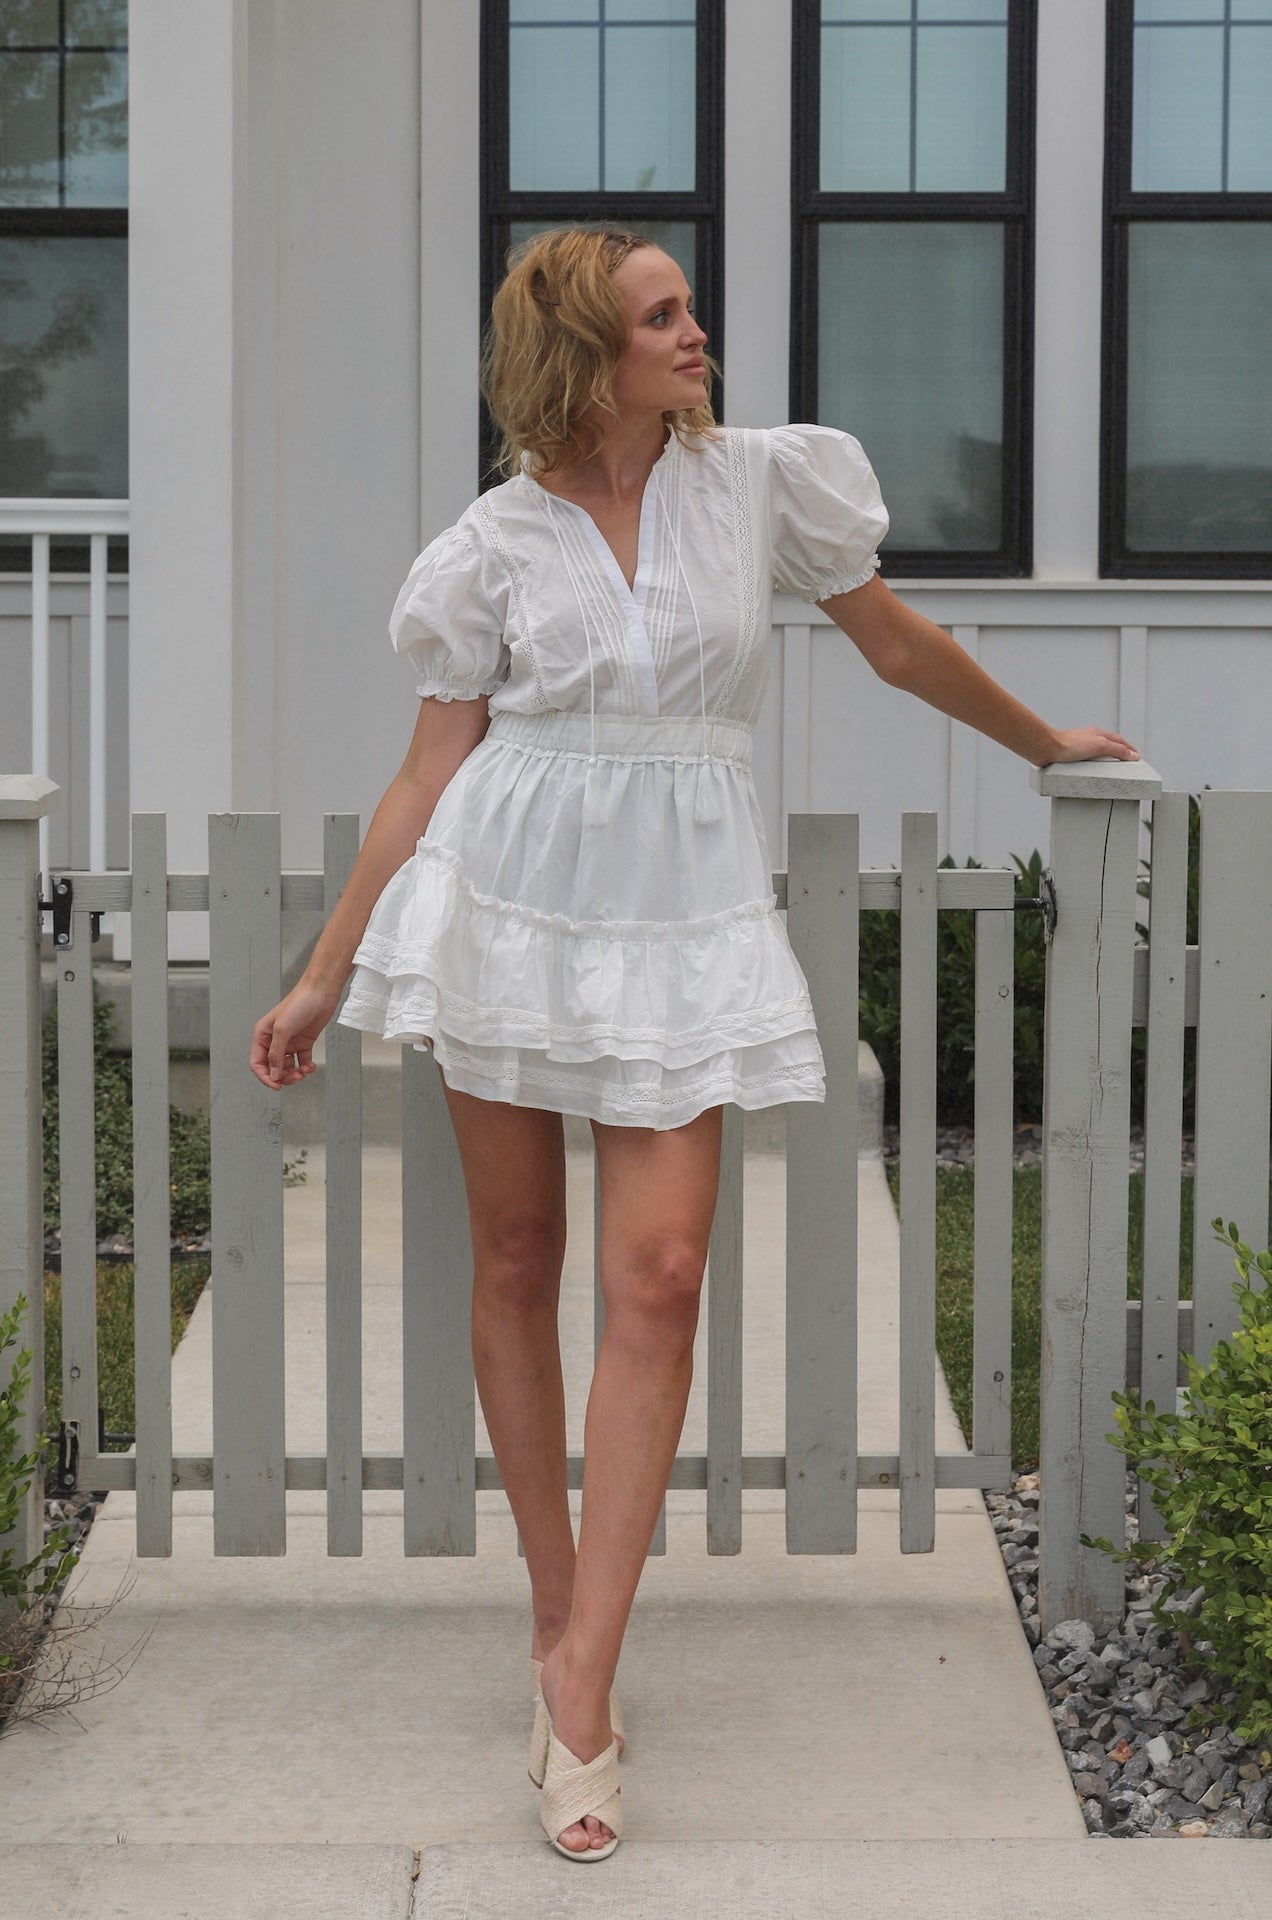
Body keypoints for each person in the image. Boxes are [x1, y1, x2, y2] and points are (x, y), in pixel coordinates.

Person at [249, 226, 1139, 1862]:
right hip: (509, 899)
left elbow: (894, 641)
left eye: (686, 308)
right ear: (588, 353)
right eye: (660, 316)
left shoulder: (760, 488)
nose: (695, 331)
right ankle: (553, 1607)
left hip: (685, 909)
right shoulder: (491, 545)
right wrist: (325, 973)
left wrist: (1041, 742)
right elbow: (428, 772)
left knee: (658, 1275)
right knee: (518, 1260)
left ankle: (584, 1680)